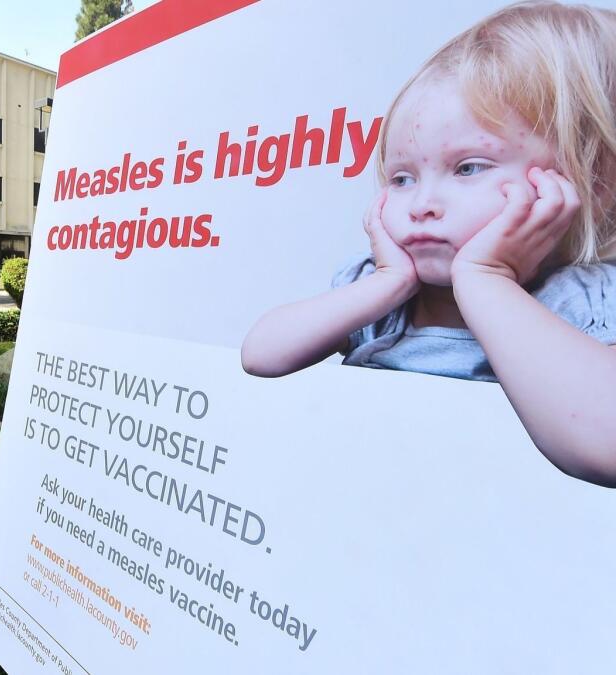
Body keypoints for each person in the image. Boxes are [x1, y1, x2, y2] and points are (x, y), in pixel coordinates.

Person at [240, 1, 616, 487]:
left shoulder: (587, 300)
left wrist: (485, 280)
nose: (422, 203)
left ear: (591, 179)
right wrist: (387, 282)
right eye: (401, 178)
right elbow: (261, 354)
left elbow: (605, 440)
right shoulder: (386, 298)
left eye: (469, 168)